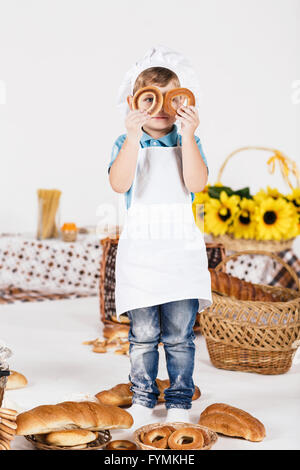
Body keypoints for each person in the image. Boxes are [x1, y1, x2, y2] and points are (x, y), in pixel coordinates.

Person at [108, 46, 212, 427]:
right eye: (150, 100)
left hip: (180, 254)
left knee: (181, 335)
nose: (162, 109)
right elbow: (120, 183)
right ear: (135, 104)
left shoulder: (187, 142)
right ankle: (142, 397)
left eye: (173, 99)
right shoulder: (127, 144)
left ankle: (180, 399)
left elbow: (196, 183)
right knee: (144, 334)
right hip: (143, 256)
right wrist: (132, 136)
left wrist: (189, 134)